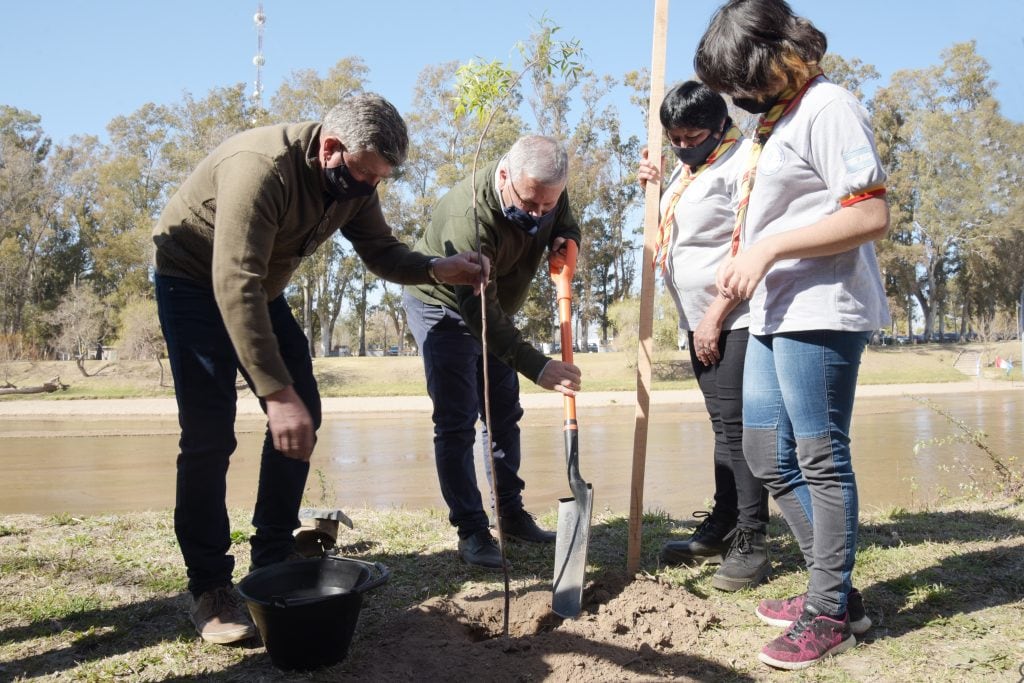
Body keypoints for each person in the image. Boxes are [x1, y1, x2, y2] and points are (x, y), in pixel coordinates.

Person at [153, 93, 487, 644]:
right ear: (330, 149)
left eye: (379, 179)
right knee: (210, 432)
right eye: (363, 175)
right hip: (194, 278)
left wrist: (436, 266)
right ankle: (210, 588)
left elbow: (379, 250)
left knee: (305, 410)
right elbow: (233, 281)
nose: (369, 188)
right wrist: (274, 392)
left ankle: (272, 551)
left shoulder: (354, 182)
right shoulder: (260, 170)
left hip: (262, 286)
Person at [695, 0, 890, 670]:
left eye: (738, 83)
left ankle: (829, 609)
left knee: (819, 456)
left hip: (822, 307)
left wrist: (770, 248)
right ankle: (833, 587)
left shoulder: (829, 106)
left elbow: (871, 214)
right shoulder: (774, 120)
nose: (736, 98)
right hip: (773, 310)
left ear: (769, 59)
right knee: (763, 452)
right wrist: (730, 279)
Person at [402, 135, 582, 570]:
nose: (538, 215)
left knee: (503, 414)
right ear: (504, 176)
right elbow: (479, 314)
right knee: (457, 421)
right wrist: (536, 366)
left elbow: (565, 220)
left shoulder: (545, 187)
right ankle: (472, 529)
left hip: (497, 309)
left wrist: (567, 238)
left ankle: (510, 513)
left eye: (547, 207)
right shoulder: (471, 220)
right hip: (445, 309)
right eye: (530, 205)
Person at [638, 81, 770, 591]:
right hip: (697, 318)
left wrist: (716, 315)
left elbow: (747, 244)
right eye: (674, 138)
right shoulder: (689, 168)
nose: (682, 144)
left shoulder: (740, 165)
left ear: (719, 126)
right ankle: (724, 521)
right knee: (722, 428)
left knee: (738, 430)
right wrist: (657, 181)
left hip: (735, 315)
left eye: (691, 135)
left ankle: (752, 542)